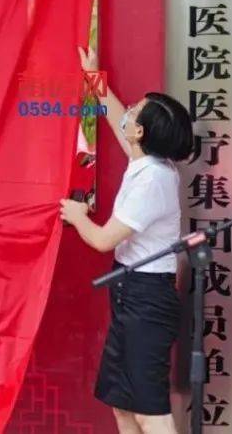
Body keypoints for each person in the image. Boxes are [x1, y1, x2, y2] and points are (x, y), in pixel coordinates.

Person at [59, 46, 192, 434]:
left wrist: (77, 215)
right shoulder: (146, 161)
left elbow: (103, 239)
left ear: (141, 133)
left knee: (150, 410)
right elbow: (117, 118)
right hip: (131, 290)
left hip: (147, 297)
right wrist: (93, 77)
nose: (128, 110)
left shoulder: (153, 179)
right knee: (122, 405)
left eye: (135, 110)